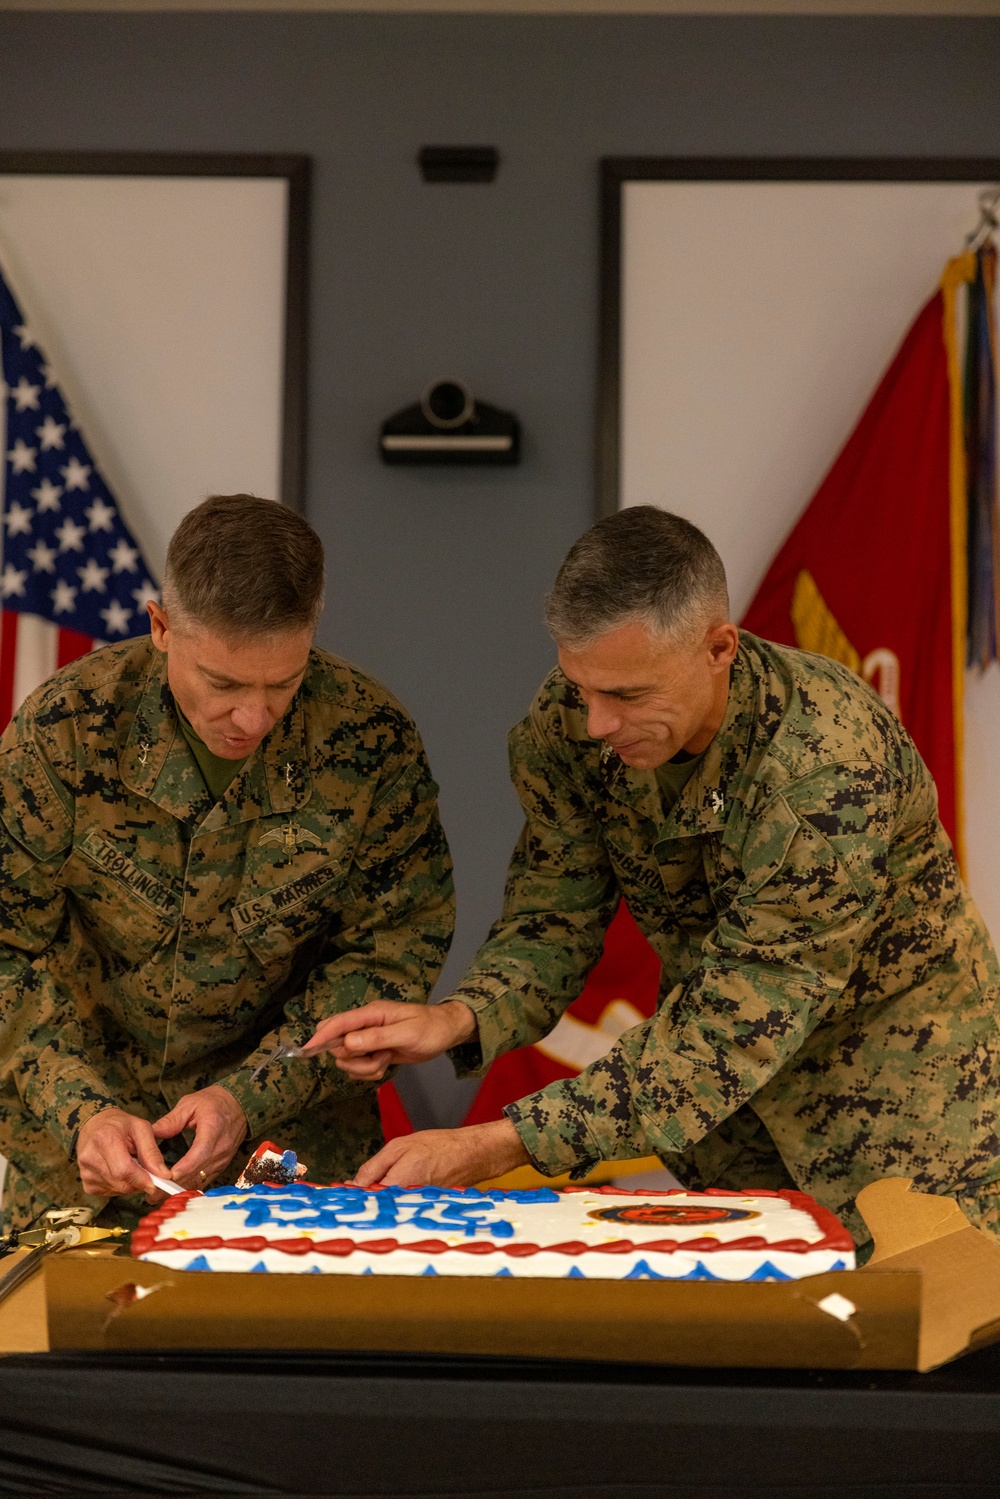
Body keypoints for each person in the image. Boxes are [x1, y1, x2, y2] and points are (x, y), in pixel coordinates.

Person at [308, 507, 1000, 1247]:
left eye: (629, 696)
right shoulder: (574, 723)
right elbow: (554, 916)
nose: (598, 722)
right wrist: (460, 1016)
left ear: (718, 648)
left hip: (908, 1121)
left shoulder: (824, 770)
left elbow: (731, 1027)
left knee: (917, 1350)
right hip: (734, 1138)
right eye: (583, 687)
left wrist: (494, 1143)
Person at [0, 494, 454, 1229]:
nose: (253, 717)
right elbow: (7, 952)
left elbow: (389, 951)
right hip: (82, 1163)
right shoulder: (67, 732)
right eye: (224, 684)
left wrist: (253, 1093)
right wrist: (77, 1107)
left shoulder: (369, 739)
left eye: (284, 683)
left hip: (292, 1164)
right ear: (160, 627)